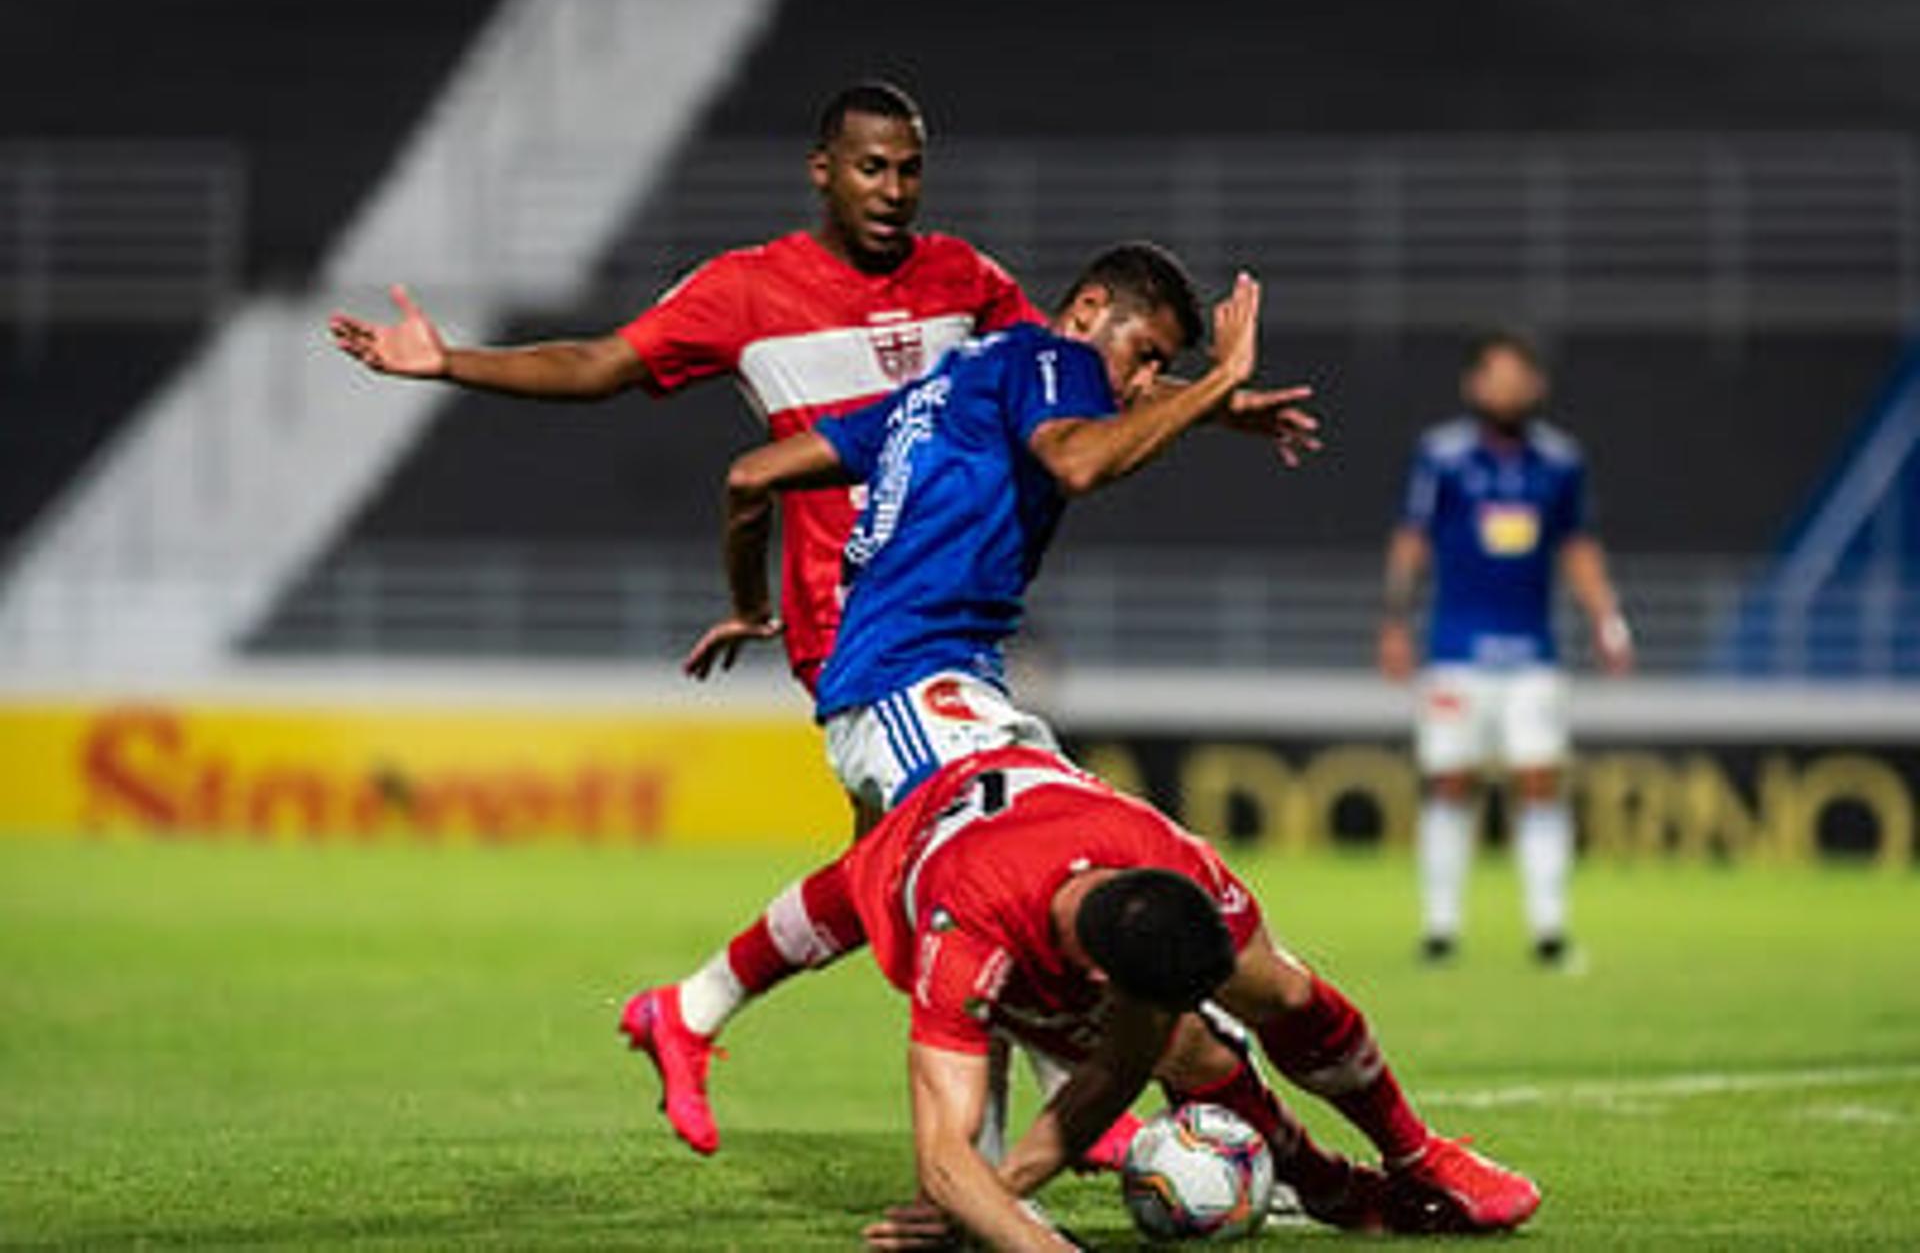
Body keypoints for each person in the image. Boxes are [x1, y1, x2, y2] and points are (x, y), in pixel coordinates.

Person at [630, 243, 1319, 1156]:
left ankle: (691, 1009)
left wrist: (752, 608)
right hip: (915, 678)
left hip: (905, 678)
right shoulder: (1050, 361)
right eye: (1145, 351)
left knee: (916, 887)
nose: (1146, 376)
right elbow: (1077, 458)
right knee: (1008, 879)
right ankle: (1044, 1124)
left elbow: (750, 477)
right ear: (1085, 312)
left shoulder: (949, 386)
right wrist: (1220, 383)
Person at [329, 80, 1042, 697]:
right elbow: (595, 366)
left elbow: (1058, 379)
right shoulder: (744, 291)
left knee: (916, 833)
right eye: (872, 168)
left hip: (956, 600)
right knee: (942, 816)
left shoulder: (965, 277)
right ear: (823, 171)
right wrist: (452, 361)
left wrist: (1141, 381)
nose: (893, 191)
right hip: (847, 615)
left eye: (910, 171)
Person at [847, 746, 1543, 1250]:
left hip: (1047, 799)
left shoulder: (1169, 857)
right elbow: (943, 1154)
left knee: (1278, 987)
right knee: (1185, 1048)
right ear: (1099, 982)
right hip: (912, 767)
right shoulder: (965, 931)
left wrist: (988, 1199)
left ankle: (1416, 1154)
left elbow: (1119, 1067)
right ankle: (1330, 1186)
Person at [1377, 329, 1633, 969]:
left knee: (1541, 781)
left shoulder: (1560, 462)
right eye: (1498, 375)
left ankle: (1549, 930)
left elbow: (1578, 547)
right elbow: (1412, 541)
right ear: (1474, 384)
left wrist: (1607, 618)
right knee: (1449, 783)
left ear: (1538, 386)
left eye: (1521, 376)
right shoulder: (1441, 457)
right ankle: (1440, 928)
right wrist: (1395, 622)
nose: (1510, 387)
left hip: (1533, 656)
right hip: (1456, 652)